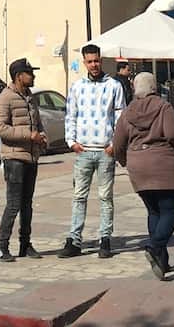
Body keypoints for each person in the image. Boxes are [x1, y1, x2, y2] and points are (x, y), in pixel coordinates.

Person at [113, 72, 174, 280]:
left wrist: (125, 161)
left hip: (138, 165)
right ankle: (154, 247)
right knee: (171, 210)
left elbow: (118, 142)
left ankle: (161, 262)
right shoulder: (163, 107)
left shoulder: (127, 112)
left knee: (154, 211)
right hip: (164, 163)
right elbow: (173, 134)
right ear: (154, 86)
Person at [59, 43, 126, 259]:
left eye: (96, 60)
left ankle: (105, 238)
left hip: (105, 150)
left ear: (101, 59)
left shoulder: (114, 85)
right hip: (84, 150)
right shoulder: (77, 87)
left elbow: (120, 116)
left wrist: (114, 144)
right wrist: (71, 142)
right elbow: (71, 115)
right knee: (79, 196)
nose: (94, 65)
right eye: (90, 61)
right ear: (85, 62)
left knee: (105, 197)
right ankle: (74, 239)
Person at [0, 58, 47, 262]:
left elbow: (37, 123)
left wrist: (42, 137)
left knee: (27, 204)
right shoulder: (4, 98)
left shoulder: (30, 97)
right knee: (13, 204)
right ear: (18, 76)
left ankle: (25, 244)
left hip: (31, 157)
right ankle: (1, 246)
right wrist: (28, 135)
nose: (33, 76)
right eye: (30, 73)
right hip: (14, 158)